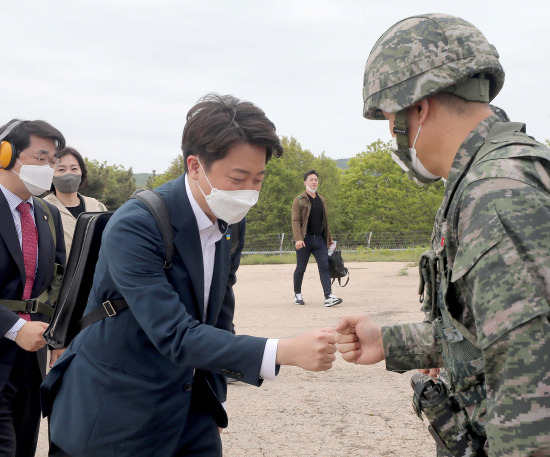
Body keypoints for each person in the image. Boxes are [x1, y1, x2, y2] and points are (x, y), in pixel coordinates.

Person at [335, 13, 550, 457]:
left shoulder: (497, 194)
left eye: (388, 118)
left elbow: (537, 404)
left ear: (416, 108)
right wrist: (390, 342)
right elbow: (492, 330)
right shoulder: (504, 171)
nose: (391, 135)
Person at [41, 94, 337, 457]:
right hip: (114, 411)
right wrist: (284, 351)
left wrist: (212, 400)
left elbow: (219, 316)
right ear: (195, 165)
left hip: (190, 412)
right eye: (238, 177)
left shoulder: (229, 222)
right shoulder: (137, 225)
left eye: (258, 178)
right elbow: (175, 334)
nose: (249, 191)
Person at [0, 119, 66, 457]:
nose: (49, 168)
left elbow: (58, 281)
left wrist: (58, 335)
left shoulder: (46, 214)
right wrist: (13, 328)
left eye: (53, 160)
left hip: (32, 359)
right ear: (6, 153)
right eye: (40, 158)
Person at [44, 147, 107, 260]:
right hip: (62, 277)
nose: (69, 175)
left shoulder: (97, 206)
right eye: (61, 169)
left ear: (81, 172)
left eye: (74, 169)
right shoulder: (42, 209)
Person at [291, 170, 342, 307]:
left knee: (325, 266)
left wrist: (329, 239)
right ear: (305, 182)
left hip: (319, 239)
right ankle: (297, 294)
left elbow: (325, 221)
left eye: (316, 180)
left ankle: (328, 296)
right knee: (301, 268)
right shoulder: (299, 200)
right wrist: (298, 239)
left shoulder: (322, 199)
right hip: (304, 240)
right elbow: (295, 220)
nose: (314, 182)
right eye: (311, 179)